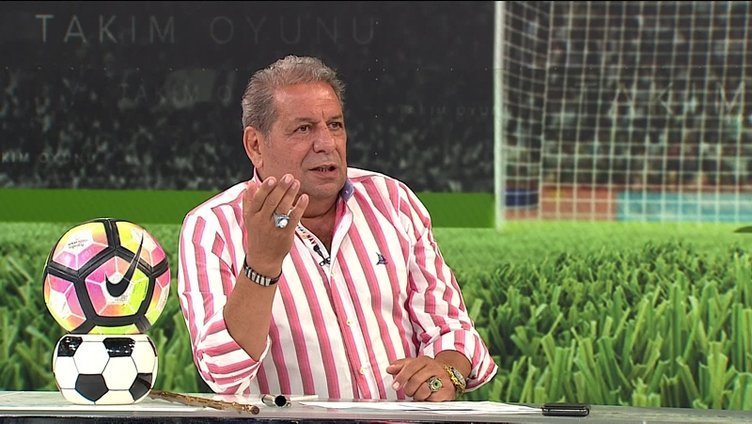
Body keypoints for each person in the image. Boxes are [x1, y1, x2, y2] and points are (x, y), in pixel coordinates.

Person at [177, 55, 497, 401]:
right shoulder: (212, 228)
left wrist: (445, 372)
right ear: (255, 145)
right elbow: (223, 373)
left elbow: (451, 328)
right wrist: (262, 264)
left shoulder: (393, 201)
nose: (327, 143)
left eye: (334, 125)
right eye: (304, 129)